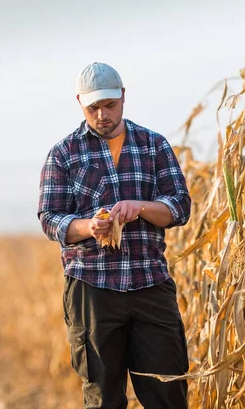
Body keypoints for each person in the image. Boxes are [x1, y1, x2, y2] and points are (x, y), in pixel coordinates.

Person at [38, 62, 191, 408]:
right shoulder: (63, 155)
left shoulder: (154, 145)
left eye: (110, 105)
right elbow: (50, 219)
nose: (102, 114)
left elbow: (179, 206)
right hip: (92, 289)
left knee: (168, 391)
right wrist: (88, 227)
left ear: (123, 97)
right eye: (93, 108)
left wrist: (139, 207)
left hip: (150, 283)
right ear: (80, 102)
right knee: (103, 397)